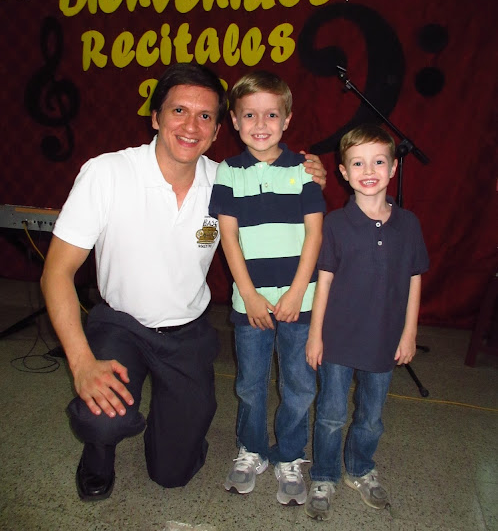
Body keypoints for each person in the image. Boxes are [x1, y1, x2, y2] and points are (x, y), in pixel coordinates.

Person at [40, 62, 327, 501]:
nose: (191, 126)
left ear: (217, 131)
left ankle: (172, 423)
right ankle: (99, 447)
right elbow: (56, 272)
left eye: (205, 116)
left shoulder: (225, 180)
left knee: (172, 473)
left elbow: (283, 190)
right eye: (178, 111)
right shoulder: (107, 173)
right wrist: (81, 363)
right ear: (155, 117)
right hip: (120, 325)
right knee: (103, 416)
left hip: (187, 332)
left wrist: (310, 169)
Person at [208, 71, 326, 506]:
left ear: (287, 119)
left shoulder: (303, 170)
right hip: (250, 303)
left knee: (300, 385)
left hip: (300, 301)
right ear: (234, 122)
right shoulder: (228, 172)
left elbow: (314, 235)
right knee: (250, 384)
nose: (261, 124)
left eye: (271, 114)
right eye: (250, 115)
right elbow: (228, 238)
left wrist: (295, 293)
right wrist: (250, 294)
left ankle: (290, 456)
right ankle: (251, 450)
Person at [304, 124, 429, 521]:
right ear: (343, 172)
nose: (369, 170)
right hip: (338, 339)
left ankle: (360, 468)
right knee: (331, 414)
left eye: (378, 161)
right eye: (358, 163)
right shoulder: (335, 224)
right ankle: (325, 475)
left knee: (371, 416)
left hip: (383, 339)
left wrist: (409, 332)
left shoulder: (408, 224)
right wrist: (315, 336)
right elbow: (324, 282)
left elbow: (414, 278)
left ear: (393, 168)